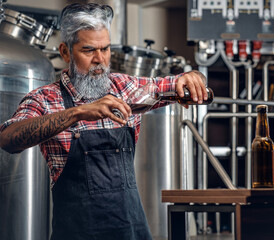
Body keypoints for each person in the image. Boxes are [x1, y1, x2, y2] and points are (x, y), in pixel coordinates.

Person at [0, 3, 208, 240]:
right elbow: (8, 138)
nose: (100, 60)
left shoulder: (125, 88)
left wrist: (194, 77)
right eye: (88, 50)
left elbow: (181, 81)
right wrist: (78, 113)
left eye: (105, 49)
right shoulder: (46, 99)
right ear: (66, 52)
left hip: (132, 232)